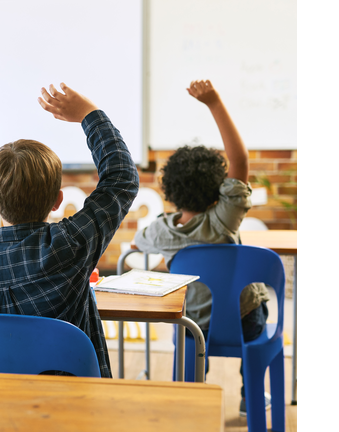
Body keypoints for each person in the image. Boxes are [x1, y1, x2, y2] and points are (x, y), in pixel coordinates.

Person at [0, 83, 139, 378]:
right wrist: (89, 114)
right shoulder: (70, 246)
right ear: (57, 201)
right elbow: (122, 177)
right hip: (71, 412)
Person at [132, 80, 270, 416]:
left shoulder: (162, 231)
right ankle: (250, 396)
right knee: (256, 309)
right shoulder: (225, 219)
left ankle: (189, 399)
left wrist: (169, 262)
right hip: (243, 320)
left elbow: (138, 243)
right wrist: (214, 103)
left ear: (169, 190)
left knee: (185, 335)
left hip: (193, 326)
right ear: (218, 192)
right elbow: (240, 161)